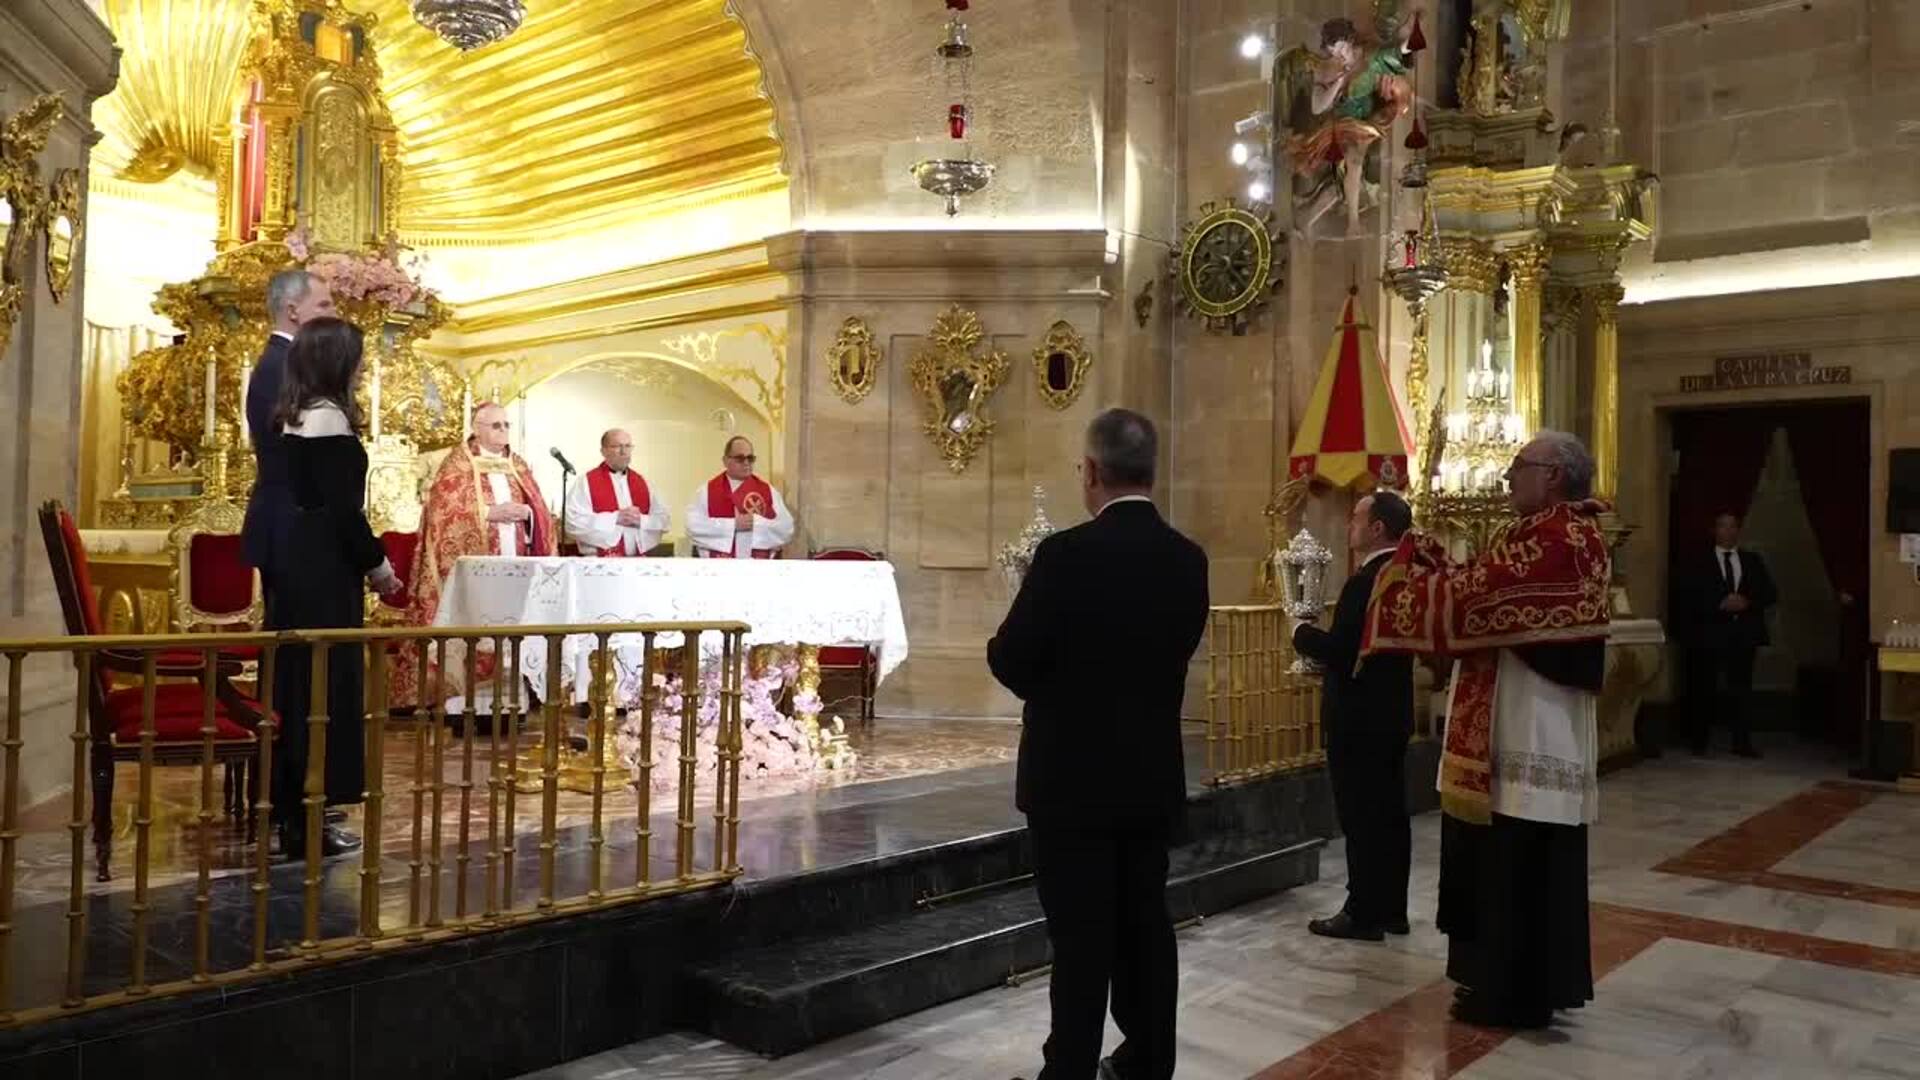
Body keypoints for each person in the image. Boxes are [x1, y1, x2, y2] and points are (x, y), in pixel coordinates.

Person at [1360, 431, 1611, 1030]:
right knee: (1500, 855)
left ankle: (1516, 992)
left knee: (1521, 858)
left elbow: (1484, 599)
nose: (1506, 477)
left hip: (1534, 729)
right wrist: (1441, 565)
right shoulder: (1530, 534)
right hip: (1510, 719)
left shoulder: (1566, 536)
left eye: (1519, 466)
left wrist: (1422, 587)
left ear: (1552, 475)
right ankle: (1494, 980)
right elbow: (1486, 583)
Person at [989, 408, 1209, 1080]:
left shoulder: (1063, 556)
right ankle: (1148, 1061)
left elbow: (1012, 659)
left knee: (1081, 937)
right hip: (1149, 777)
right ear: (1152, 470)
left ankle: (1070, 1070)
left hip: (1071, 782)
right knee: (1145, 924)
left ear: (1090, 472)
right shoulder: (1187, 560)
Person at [270, 317, 404, 859]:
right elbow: (346, 515)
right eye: (357, 358)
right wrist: (379, 568)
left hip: (296, 570)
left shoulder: (292, 420)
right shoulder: (329, 424)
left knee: (302, 691)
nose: (361, 367)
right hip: (326, 577)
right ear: (337, 364)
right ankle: (312, 821)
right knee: (327, 693)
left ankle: (296, 815)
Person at [1290, 490, 1414, 941]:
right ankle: (1391, 910)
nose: (1350, 526)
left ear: (1378, 527)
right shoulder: (1402, 574)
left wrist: (1300, 633)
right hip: (1392, 714)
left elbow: (1344, 652)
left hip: (1359, 719)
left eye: (1356, 518)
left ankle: (1362, 912)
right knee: (1390, 816)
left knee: (1362, 819)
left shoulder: (1366, 581)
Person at [402, 402, 554, 706]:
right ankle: (466, 697)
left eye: (506, 425)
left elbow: (541, 510)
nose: (504, 431)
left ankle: (516, 694)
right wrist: (489, 513)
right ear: (477, 428)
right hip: (477, 568)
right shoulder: (458, 464)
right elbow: (441, 512)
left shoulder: (518, 465)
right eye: (496, 425)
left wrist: (529, 512)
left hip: (517, 565)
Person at [242, 268, 335, 611]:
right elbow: (303, 454)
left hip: (293, 525)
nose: (334, 314)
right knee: (295, 646)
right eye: (324, 305)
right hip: (293, 526)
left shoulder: (288, 363)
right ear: (293, 310)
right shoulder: (284, 368)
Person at [1681, 512, 1776, 758]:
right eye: (1723, 526)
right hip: (1710, 634)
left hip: (1743, 635)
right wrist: (1719, 603)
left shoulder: (1752, 560)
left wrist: (1746, 601)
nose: (1729, 531)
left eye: (1733, 526)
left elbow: (1769, 593)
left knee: (1742, 690)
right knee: (1704, 688)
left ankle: (1742, 743)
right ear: (1715, 530)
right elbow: (1689, 594)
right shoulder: (1699, 561)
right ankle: (1699, 741)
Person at [564, 428, 669, 557]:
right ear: (603, 451)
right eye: (617, 446)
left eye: (627, 446)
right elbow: (573, 523)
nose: (623, 452)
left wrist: (641, 520)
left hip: (639, 561)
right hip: (599, 563)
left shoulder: (644, 482)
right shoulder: (585, 482)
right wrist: (615, 518)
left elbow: (664, 520)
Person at [684, 436, 793, 559]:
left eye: (750, 458)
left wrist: (757, 524)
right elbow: (692, 527)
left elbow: (786, 529)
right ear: (725, 461)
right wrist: (733, 525)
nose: (746, 462)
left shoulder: (769, 491)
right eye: (740, 458)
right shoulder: (706, 491)